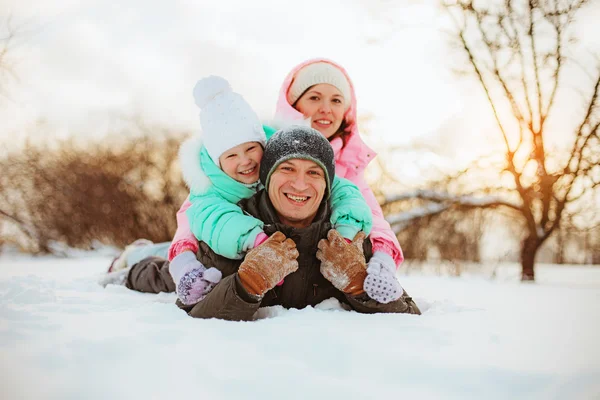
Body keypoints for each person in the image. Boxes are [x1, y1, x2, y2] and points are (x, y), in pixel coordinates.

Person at [111, 59, 406, 304]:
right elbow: (197, 214)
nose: (325, 108)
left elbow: (375, 222)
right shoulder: (260, 147)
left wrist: (382, 261)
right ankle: (134, 258)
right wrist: (184, 259)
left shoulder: (350, 166)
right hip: (231, 243)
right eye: (314, 97)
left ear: (347, 111)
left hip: (292, 252)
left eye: (336, 100)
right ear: (293, 104)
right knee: (175, 267)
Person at [119, 126, 421, 321]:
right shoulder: (235, 227)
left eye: (314, 173)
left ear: (328, 184)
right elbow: (196, 311)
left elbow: (407, 312)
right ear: (265, 178)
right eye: (287, 169)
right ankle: (132, 265)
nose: (300, 185)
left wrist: (357, 282)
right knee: (167, 277)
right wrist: (246, 283)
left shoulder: (348, 234)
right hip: (204, 265)